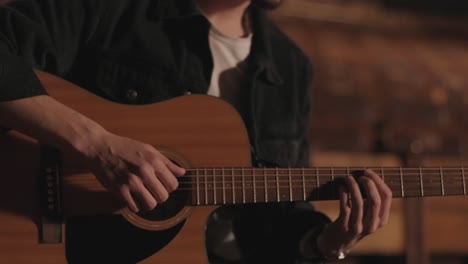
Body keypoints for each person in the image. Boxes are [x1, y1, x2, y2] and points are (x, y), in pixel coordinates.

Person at [0, 0, 392, 263]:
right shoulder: (113, 8)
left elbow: (281, 212)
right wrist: (95, 144)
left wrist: (326, 244)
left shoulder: (290, 67)